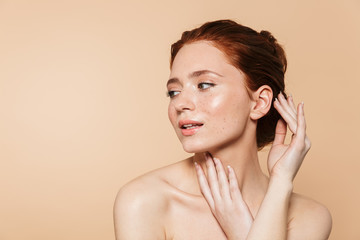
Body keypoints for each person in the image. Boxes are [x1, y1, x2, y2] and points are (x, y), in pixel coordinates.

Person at [113, 19, 332, 239]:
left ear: (259, 102)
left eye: (204, 85)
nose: (180, 104)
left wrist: (279, 184)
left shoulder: (308, 217)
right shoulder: (144, 201)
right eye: (174, 92)